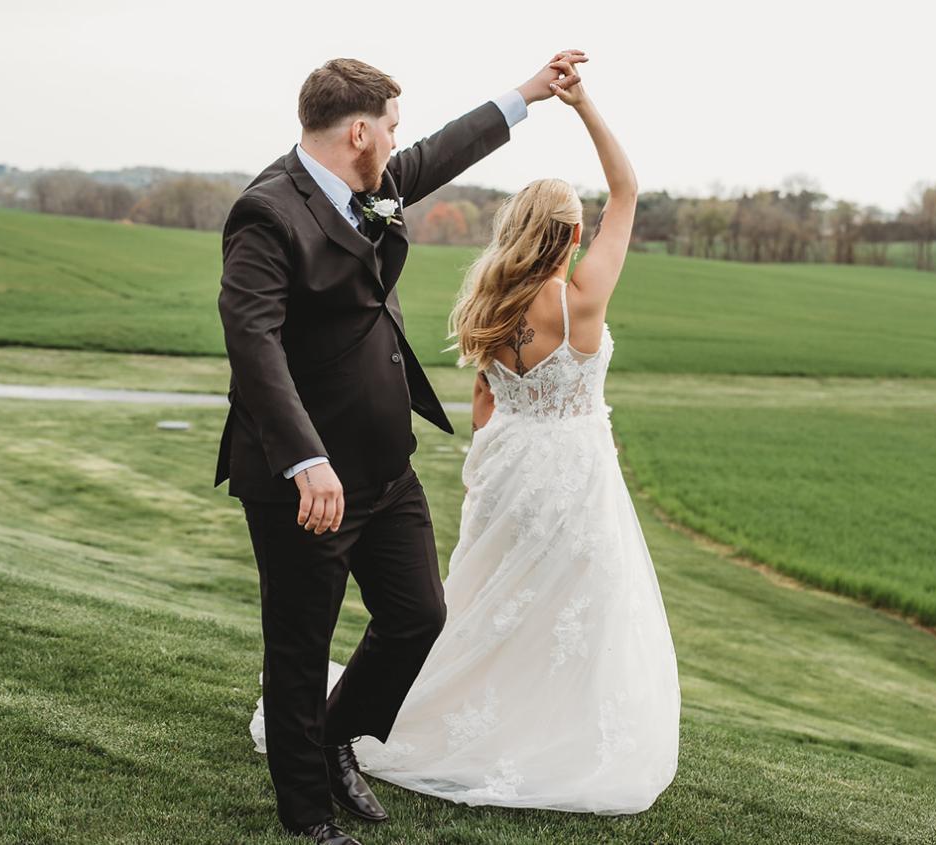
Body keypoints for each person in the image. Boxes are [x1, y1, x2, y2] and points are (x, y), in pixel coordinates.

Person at [249, 62, 681, 822]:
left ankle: (346, 732)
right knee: (566, 607)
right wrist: (584, 105)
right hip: (561, 466)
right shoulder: (578, 302)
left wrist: (529, 94)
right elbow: (628, 190)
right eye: (390, 127)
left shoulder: (487, 296)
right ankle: (325, 789)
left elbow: (485, 402)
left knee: (464, 602)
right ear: (570, 234)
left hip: (504, 461)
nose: (398, 141)